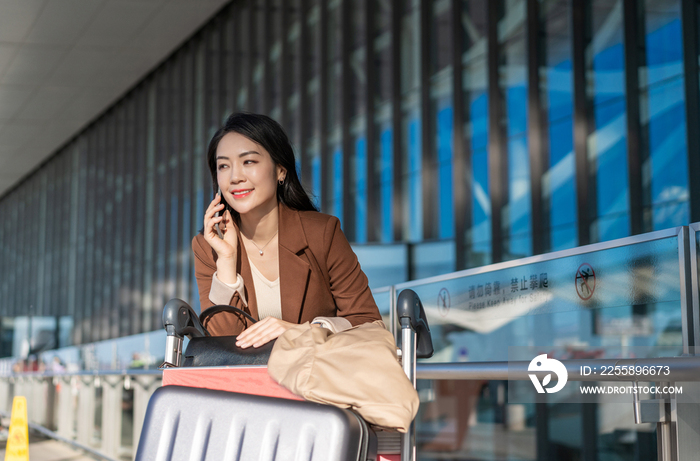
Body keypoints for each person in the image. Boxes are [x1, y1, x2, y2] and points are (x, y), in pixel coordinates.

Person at [192, 113, 381, 349]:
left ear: (280, 171)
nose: (235, 177)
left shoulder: (321, 233)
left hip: (313, 381)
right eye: (223, 166)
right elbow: (221, 345)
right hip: (244, 385)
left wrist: (303, 331)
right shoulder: (208, 245)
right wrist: (227, 262)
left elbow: (369, 324)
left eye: (248, 162)